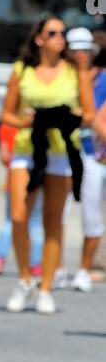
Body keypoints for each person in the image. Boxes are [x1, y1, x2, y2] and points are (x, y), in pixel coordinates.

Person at [1, 15, 94, 314]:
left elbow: (90, 114)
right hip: (28, 147)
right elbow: (6, 114)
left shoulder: (74, 71)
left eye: (62, 33)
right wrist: (25, 120)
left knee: (53, 222)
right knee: (18, 215)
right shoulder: (22, 71)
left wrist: (70, 116)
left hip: (61, 150)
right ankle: (25, 277)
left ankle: (45, 287)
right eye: (52, 33)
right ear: (39, 38)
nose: (59, 38)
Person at [65, 27, 104, 291]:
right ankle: (54, 268)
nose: (81, 54)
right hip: (62, 151)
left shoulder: (103, 78)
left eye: (85, 50)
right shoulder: (62, 78)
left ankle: (84, 269)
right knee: (57, 213)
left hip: (92, 153)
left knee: (91, 213)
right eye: (76, 49)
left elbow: (93, 117)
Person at [0, 122, 43, 278]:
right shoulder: (40, 124)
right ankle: (35, 264)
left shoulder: (8, 126)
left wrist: (18, 162)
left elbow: (4, 156)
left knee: (9, 220)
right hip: (37, 179)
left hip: (13, 181)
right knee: (35, 221)